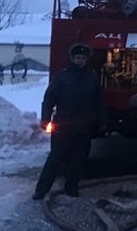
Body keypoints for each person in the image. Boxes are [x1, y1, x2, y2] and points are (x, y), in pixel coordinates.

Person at [32, 43, 106, 200]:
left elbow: (99, 102)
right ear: (72, 59)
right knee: (55, 159)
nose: (80, 61)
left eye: (83, 58)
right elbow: (48, 100)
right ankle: (41, 190)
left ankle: (71, 187)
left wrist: (102, 121)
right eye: (77, 58)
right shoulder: (61, 77)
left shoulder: (92, 78)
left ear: (87, 60)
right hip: (63, 126)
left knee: (78, 159)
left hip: (84, 126)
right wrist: (45, 119)